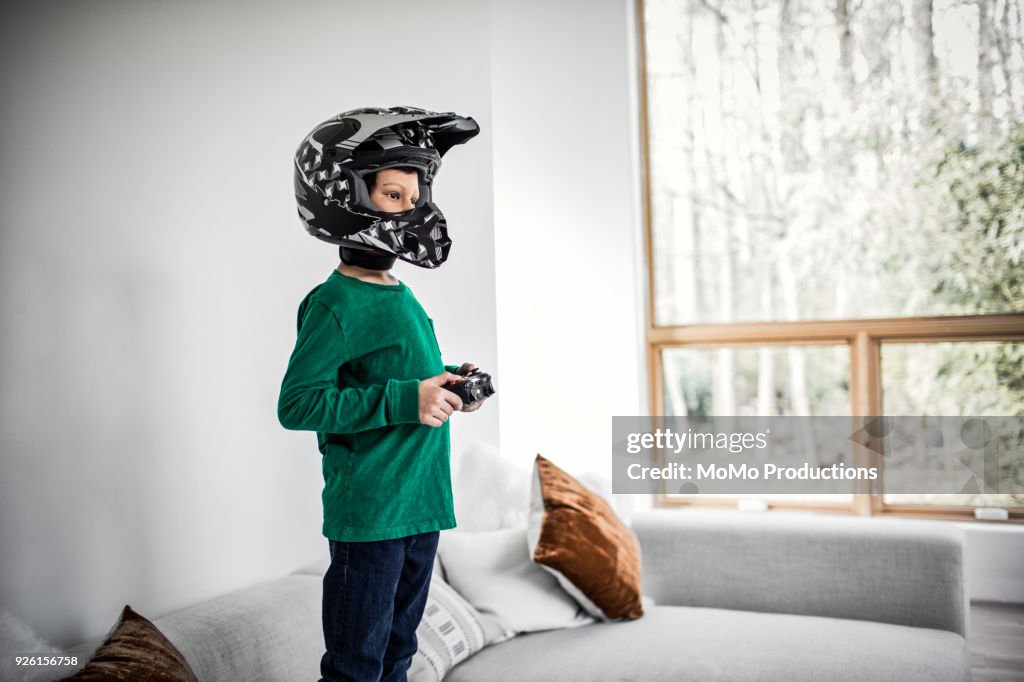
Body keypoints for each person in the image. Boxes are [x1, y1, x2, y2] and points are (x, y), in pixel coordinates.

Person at [278, 107, 484, 682]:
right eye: (394, 195)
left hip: (422, 504)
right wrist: (405, 400)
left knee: (399, 655)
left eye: (415, 195)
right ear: (343, 198)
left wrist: (447, 383)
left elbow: (398, 374)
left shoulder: (399, 292)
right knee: (357, 665)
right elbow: (298, 404)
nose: (412, 210)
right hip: (370, 515)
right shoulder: (335, 303)